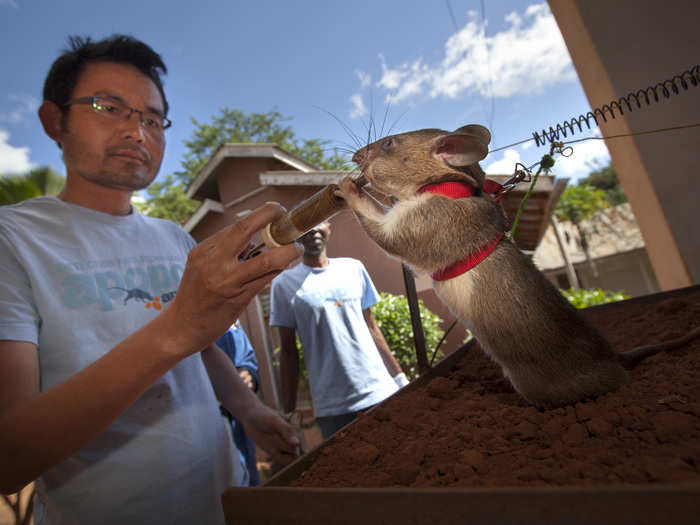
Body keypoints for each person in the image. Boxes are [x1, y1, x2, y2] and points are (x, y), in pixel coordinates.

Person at [0, 35, 303, 524]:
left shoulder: (175, 239)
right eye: (109, 107)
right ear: (54, 121)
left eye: (152, 118)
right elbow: (8, 457)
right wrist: (175, 329)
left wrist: (247, 410)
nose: (137, 132)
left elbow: (201, 350)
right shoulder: (12, 240)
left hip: (224, 502)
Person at [269, 222, 409, 440]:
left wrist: (399, 378)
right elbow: (288, 352)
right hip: (333, 408)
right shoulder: (283, 285)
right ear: (294, 235)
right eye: (305, 223)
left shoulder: (353, 268)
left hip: (380, 392)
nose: (312, 229)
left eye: (319, 222)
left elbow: (371, 327)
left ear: (329, 226)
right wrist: (288, 411)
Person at [215, 321, 261, 486]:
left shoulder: (228, 318)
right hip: (211, 431)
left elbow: (247, 357)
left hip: (240, 427)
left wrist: (248, 374)